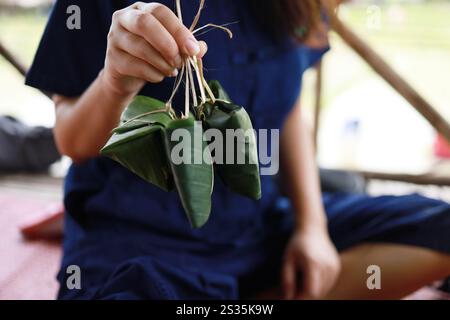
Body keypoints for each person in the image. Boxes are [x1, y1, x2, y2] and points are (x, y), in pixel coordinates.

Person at [26, 0, 450, 300]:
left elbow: (288, 107)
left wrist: (312, 227)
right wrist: (115, 82)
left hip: (260, 228)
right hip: (142, 245)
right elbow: (71, 140)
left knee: (439, 226)